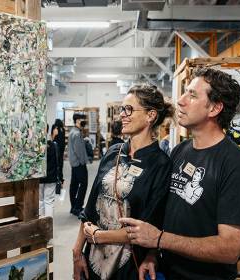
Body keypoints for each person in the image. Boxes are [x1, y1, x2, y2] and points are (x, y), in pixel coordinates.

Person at [120, 67, 240, 280]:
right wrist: (152, 254)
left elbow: (230, 249)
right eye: (185, 92)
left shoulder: (237, 166)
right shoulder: (180, 152)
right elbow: (168, 215)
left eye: (192, 95)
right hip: (167, 272)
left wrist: (159, 239)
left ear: (214, 108)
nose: (180, 101)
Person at [72, 85, 175, 280]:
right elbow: (91, 207)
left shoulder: (161, 164)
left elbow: (146, 227)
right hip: (92, 258)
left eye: (129, 109)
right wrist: (77, 252)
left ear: (150, 115)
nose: (122, 115)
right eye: (122, 109)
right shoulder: (113, 152)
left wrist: (98, 236)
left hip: (128, 265)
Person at [68, 113, 88, 216]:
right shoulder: (77, 133)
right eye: (81, 119)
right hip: (79, 163)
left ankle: (73, 207)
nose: (83, 121)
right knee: (83, 184)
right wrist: (83, 161)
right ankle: (78, 207)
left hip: (74, 163)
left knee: (74, 185)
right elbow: (78, 151)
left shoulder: (74, 131)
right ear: (76, 120)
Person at [39, 124, 59, 218]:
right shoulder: (53, 145)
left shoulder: (36, 147)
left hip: (39, 178)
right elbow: (58, 163)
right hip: (51, 177)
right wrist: (60, 177)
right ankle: (48, 227)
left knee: (39, 201)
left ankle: (40, 226)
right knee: (49, 201)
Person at [51, 118, 65, 184]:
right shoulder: (62, 129)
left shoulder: (55, 127)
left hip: (57, 148)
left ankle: (59, 178)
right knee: (60, 163)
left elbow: (52, 138)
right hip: (60, 148)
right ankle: (60, 178)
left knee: (58, 163)